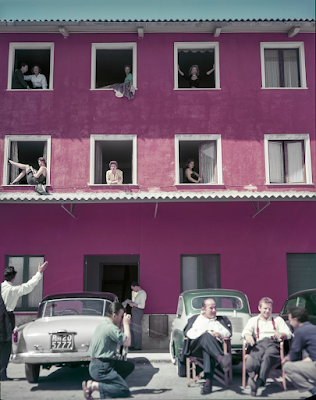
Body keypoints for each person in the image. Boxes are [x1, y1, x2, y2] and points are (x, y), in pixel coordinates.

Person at [0, 261, 48, 380]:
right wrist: (39, 273)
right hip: (6, 318)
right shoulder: (14, 290)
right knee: (5, 346)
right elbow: (29, 286)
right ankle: (2, 373)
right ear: (14, 277)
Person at [82, 302, 135, 399]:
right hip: (102, 367)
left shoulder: (103, 324)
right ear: (114, 316)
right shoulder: (111, 328)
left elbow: (119, 341)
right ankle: (94, 386)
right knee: (124, 391)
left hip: (97, 364)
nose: (122, 318)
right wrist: (126, 324)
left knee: (128, 366)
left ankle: (110, 387)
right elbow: (127, 342)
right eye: (121, 316)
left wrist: (122, 327)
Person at [180, 298, 232, 395]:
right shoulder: (196, 319)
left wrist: (219, 334)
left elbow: (228, 333)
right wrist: (203, 333)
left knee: (207, 350)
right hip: (196, 348)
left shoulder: (218, 321)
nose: (214, 310)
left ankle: (208, 385)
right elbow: (189, 333)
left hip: (212, 350)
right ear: (203, 309)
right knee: (206, 336)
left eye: (215, 308)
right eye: (211, 308)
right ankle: (221, 359)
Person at [242, 297, 292, 396]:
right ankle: (252, 372)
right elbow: (245, 331)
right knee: (256, 356)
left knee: (267, 357)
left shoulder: (278, 320)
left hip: (273, 344)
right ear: (259, 308)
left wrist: (281, 334)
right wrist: (248, 336)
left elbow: (289, 333)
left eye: (269, 308)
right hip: (258, 344)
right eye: (265, 308)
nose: (267, 311)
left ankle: (257, 382)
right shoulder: (253, 320)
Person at [282, 306, 316, 397]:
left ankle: (314, 390)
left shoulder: (300, 331)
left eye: (290, 320)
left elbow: (294, 355)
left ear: (296, 320)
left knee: (288, 367)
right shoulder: (313, 328)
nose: (290, 323)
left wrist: (285, 359)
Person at [125, 282, 147, 350]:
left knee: (136, 329)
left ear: (136, 286)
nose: (133, 290)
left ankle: (137, 346)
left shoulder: (142, 293)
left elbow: (142, 306)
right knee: (133, 328)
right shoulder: (138, 294)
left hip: (138, 312)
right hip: (135, 311)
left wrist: (133, 304)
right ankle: (133, 345)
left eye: (133, 288)